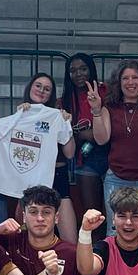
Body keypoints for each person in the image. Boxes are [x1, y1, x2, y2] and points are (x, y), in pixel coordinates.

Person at [0, 73, 76, 233]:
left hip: (57, 179)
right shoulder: (19, 115)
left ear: (51, 94)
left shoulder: (56, 116)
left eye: (47, 89)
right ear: (30, 87)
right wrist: (18, 116)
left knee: (69, 239)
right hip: (27, 184)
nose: (42, 90)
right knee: (27, 236)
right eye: (38, 86)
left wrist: (67, 125)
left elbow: (70, 153)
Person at [92, 60, 138, 233]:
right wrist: (96, 111)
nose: (130, 82)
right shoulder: (110, 106)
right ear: (118, 83)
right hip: (117, 178)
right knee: (116, 231)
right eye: (125, 78)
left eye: (135, 77)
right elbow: (101, 139)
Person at [60, 53, 107, 223]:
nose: (78, 74)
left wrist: (90, 133)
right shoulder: (65, 100)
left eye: (83, 69)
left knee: (114, 211)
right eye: (73, 70)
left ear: (91, 69)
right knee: (92, 214)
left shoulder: (105, 92)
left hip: (111, 156)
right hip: (84, 158)